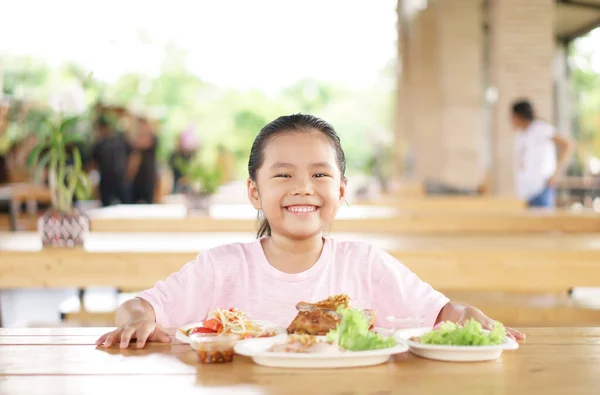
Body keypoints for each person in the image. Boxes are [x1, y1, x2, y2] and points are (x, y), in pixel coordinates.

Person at [96, 114, 525, 349]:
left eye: (319, 174)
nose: (303, 187)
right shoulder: (222, 265)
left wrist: (469, 317)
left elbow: (441, 314)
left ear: (340, 190)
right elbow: (138, 306)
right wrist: (137, 321)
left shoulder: (366, 264)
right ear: (254, 192)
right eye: (282, 175)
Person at [511, 99, 575, 208]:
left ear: (518, 116)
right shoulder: (520, 133)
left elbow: (568, 145)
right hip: (526, 191)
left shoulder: (541, 128)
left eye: (512, 116)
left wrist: (555, 173)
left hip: (541, 188)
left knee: (543, 223)